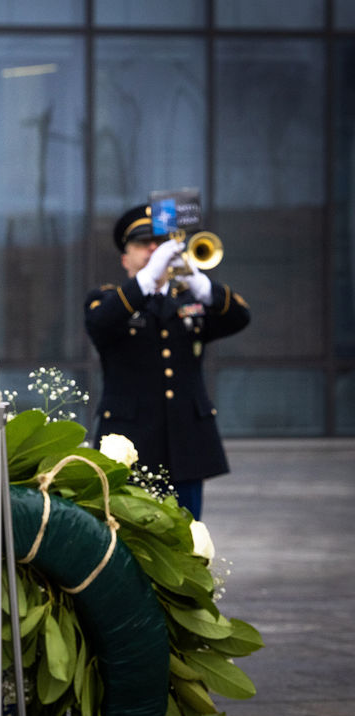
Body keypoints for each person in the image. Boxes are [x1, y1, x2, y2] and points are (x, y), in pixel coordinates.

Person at [85, 203, 251, 520]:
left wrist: (202, 285)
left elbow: (239, 318)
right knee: (130, 543)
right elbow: (100, 324)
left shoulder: (189, 302)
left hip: (186, 447)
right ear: (125, 258)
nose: (151, 248)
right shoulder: (106, 299)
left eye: (159, 243)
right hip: (130, 448)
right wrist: (148, 279)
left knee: (188, 541)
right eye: (141, 244)